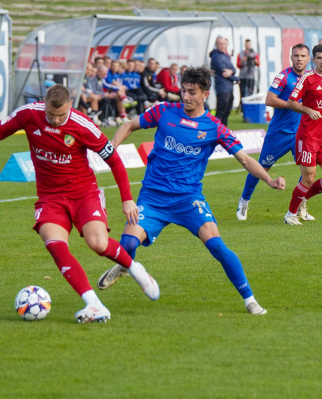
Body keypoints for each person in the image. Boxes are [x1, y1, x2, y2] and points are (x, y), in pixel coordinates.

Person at [96, 67, 285, 315]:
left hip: (188, 200)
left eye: (192, 92)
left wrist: (269, 180)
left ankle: (250, 300)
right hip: (153, 197)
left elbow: (245, 160)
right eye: (183, 91)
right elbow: (130, 125)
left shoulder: (214, 127)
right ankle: (126, 266)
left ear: (205, 94)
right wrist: (110, 149)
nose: (186, 97)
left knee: (217, 246)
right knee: (128, 243)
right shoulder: (164, 111)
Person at [0, 84, 159, 323]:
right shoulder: (29, 113)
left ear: (70, 106)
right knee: (56, 245)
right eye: (51, 115)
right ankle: (94, 304)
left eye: (61, 115)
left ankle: (135, 269)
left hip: (84, 194)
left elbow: (114, 160)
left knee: (97, 244)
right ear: (44, 102)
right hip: (50, 197)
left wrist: (127, 198)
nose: (56, 121)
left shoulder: (83, 125)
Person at [237, 43, 311, 222]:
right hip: (279, 133)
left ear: (309, 59)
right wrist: (291, 105)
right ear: (291, 58)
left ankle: (301, 205)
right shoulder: (284, 76)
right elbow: (269, 100)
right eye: (296, 56)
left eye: (302, 56)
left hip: (301, 132)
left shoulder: (310, 78)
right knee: (262, 168)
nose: (299, 59)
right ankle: (244, 201)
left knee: (308, 170)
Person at [283, 43, 322, 225]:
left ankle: (303, 199)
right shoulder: (307, 79)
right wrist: (307, 110)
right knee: (309, 177)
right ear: (313, 60)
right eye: (318, 58)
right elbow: (290, 103)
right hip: (307, 136)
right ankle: (290, 215)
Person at [209, 36, 237, 126]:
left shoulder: (226, 56)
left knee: (227, 111)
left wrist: (231, 71)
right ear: (216, 45)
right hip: (222, 87)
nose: (222, 46)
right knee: (221, 111)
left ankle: (224, 131)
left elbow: (233, 69)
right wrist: (237, 79)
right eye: (220, 44)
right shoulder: (216, 56)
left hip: (229, 87)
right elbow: (224, 72)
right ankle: (216, 131)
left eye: (224, 44)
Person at [236, 39, 260, 112]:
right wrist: (244, 59)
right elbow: (238, 65)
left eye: (249, 44)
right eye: (247, 44)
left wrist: (253, 58)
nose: (248, 46)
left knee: (251, 93)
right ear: (245, 45)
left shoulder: (255, 53)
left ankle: (250, 109)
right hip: (242, 76)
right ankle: (242, 109)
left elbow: (258, 64)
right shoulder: (241, 54)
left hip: (251, 76)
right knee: (242, 93)